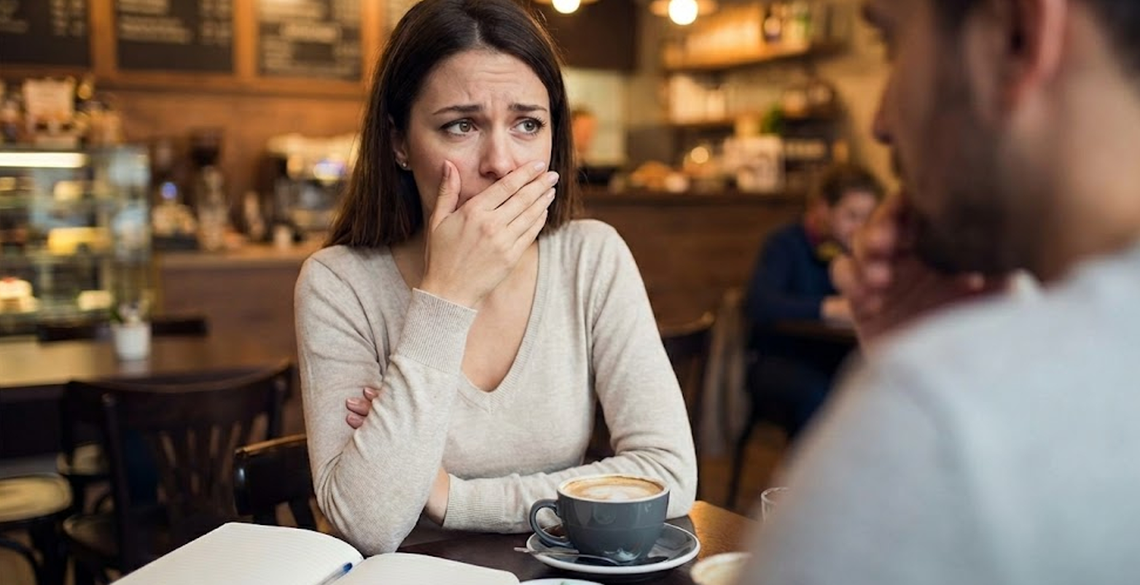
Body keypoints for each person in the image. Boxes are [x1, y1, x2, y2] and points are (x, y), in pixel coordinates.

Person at [741, 0, 1140, 583]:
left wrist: (930, 386)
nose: (879, 121)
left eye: (890, 43)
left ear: (1016, 39)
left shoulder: (942, 422)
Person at [294, 0, 696, 556]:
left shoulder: (592, 258)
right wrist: (446, 297)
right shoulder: (338, 285)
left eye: (528, 123)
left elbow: (667, 474)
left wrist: (452, 498)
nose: (502, 162)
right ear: (399, 143)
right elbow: (370, 523)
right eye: (461, 125)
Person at [743, 163, 882, 439]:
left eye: (868, 218)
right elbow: (761, 304)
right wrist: (829, 308)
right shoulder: (786, 244)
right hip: (780, 358)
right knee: (819, 394)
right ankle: (813, 480)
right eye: (851, 216)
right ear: (822, 209)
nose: (860, 227)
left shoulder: (862, 255)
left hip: (834, 355)